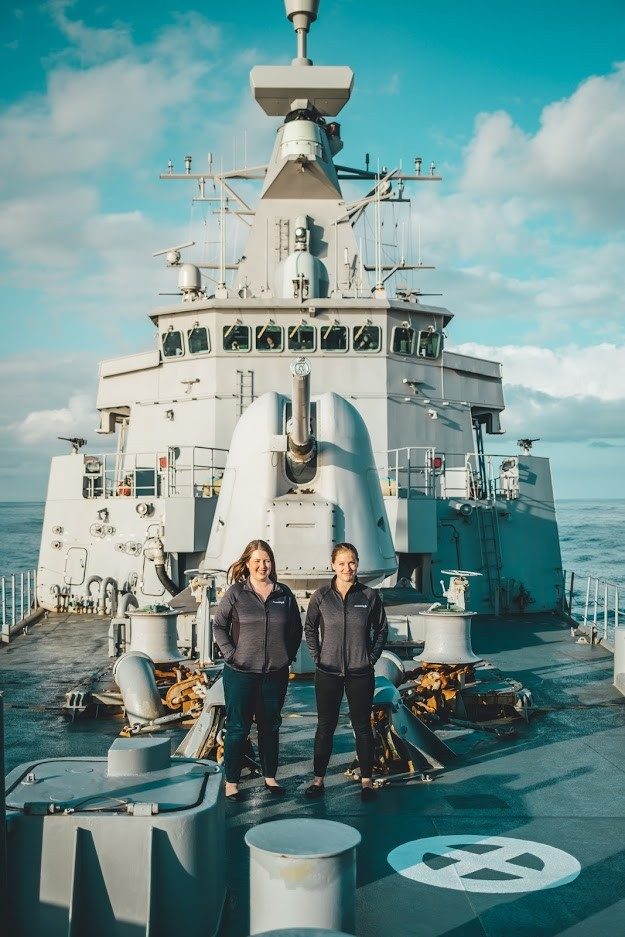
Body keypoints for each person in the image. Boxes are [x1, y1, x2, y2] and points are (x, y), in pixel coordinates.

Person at [212, 539, 302, 801]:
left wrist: (286, 656)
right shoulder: (236, 593)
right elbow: (219, 625)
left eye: (267, 561)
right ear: (248, 564)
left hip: (275, 674)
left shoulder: (283, 594)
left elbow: (295, 629)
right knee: (238, 727)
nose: (263, 566)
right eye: (257, 561)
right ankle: (231, 782)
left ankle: (270, 777)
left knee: (270, 726)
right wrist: (231, 654)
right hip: (240, 673)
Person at [304, 542, 388, 802]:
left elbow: (382, 630)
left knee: (362, 727)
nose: (347, 568)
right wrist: (318, 657)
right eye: (341, 563)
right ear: (333, 565)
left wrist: (370, 658)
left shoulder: (369, 596)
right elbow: (310, 628)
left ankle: (366, 783)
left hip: (360, 672)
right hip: (328, 672)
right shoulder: (321, 596)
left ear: (358, 563)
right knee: (325, 727)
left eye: (351, 562)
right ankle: (318, 781)